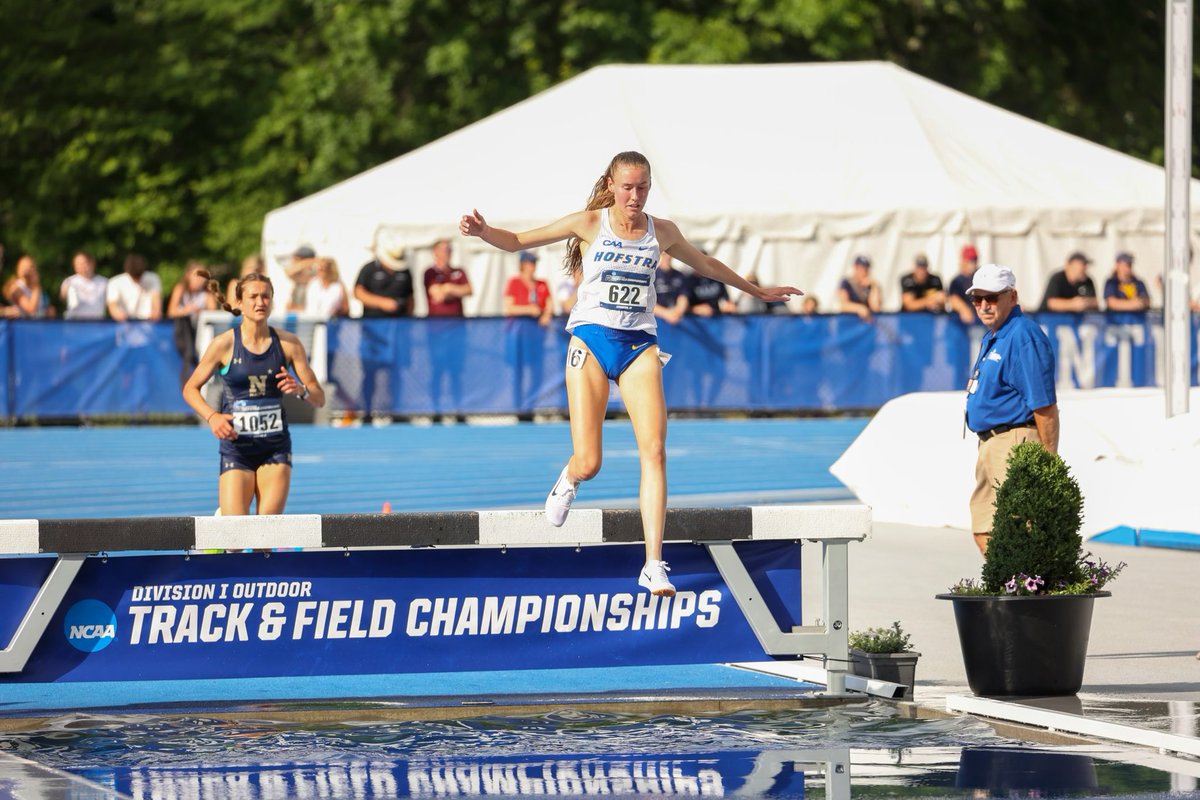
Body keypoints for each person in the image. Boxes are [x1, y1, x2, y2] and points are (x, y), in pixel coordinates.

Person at [459, 150, 800, 595]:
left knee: (655, 451)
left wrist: (757, 291)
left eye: (642, 188)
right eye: (627, 187)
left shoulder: (663, 232)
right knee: (591, 461)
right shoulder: (588, 223)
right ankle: (571, 475)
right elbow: (520, 240)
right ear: (612, 185)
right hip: (592, 340)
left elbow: (709, 266)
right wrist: (485, 232)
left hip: (640, 343)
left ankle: (654, 563)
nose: (634, 197)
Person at [182, 270, 325, 515]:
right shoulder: (224, 344)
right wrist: (212, 416)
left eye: (266, 296)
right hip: (237, 448)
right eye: (253, 297)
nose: (260, 302)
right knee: (235, 537)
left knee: (265, 536)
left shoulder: (289, 344)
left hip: (275, 447)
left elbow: (319, 397)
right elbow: (190, 389)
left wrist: (300, 390)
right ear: (240, 302)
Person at [964, 264, 1058, 557]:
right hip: (990, 443)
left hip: (1014, 441)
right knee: (984, 529)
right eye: (977, 299)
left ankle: (1027, 593)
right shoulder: (995, 335)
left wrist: (1048, 460)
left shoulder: (1022, 335)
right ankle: (1010, 586)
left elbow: (1044, 404)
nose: (983, 306)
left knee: (1020, 530)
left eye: (991, 297)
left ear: (1012, 296)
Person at [168, 261, 219, 387]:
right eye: (196, 276)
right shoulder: (181, 289)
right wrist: (186, 310)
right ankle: (187, 386)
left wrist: (200, 312)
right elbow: (171, 311)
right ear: (188, 276)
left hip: (200, 332)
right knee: (189, 355)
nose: (199, 281)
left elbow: (213, 313)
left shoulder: (207, 294)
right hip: (184, 332)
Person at [423, 238, 472, 317]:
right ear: (436, 252)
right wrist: (457, 290)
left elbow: (469, 290)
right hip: (436, 321)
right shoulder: (430, 272)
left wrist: (448, 288)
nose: (448, 252)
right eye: (445, 249)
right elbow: (437, 295)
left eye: (450, 249)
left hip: (457, 320)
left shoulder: (459, 271)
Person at [106, 253, 162, 321]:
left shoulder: (153, 278)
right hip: (124, 323)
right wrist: (117, 313)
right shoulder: (115, 282)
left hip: (147, 323)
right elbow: (112, 304)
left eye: (140, 276)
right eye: (134, 277)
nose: (138, 280)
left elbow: (156, 300)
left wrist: (155, 311)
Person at [503, 250, 552, 326]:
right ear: (523, 264)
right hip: (517, 326)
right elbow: (509, 308)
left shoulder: (542, 284)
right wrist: (529, 310)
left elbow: (549, 305)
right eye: (531, 262)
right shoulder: (514, 282)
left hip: (538, 327)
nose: (533, 265)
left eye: (534, 262)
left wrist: (546, 315)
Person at [60, 250, 109, 319]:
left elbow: (111, 303)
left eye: (83, 263)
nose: (81, 266)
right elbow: (62, 299)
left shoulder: (104, 282)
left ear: (92, 263)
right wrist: (64, 293)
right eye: (77, 264)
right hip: (74, 323)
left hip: (97, 323)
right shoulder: (69, 281)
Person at [838, 255, 881, 321]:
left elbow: (876, 308)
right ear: (855, 267)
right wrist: (859, 308)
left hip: (867, 323)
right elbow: (843, 305)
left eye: (866, 269)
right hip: (849, 322)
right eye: (861, 268)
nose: (863, 271)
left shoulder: (870, 285)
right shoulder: (846, 283)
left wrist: (874, 287)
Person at [652, 251, 690, 325]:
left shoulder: (679, 275)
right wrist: (666, 313)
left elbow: (683, 296)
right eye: (664, 254)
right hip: (657, 321)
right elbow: (647, 302)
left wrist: (678, 312)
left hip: (676, 318)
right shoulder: (653, 276)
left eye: (669, 254)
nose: (667, 257)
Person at [947, 244, 980, 324]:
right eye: (970, 260)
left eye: (974, 259)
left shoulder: (981, 276)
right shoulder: (956, 281)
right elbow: (953, 298)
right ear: (963, 260)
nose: (973, 263)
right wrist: (963, 309)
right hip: (960, 324)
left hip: (979, 322)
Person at [285, 245, 318, 312]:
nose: (293, 261)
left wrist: (308, 262)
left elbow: (290, 272)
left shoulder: (314, 273)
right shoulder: (300, 274)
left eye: (296, 259)